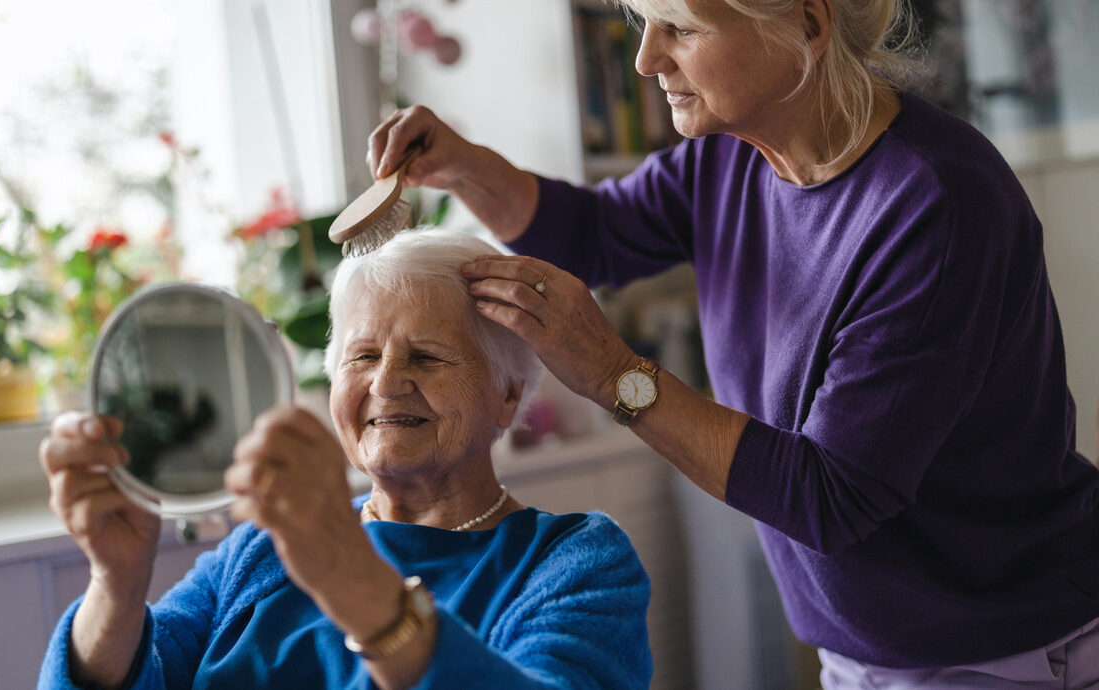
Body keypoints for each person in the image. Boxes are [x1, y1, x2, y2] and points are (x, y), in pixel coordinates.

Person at [368, 0, 1099, 686]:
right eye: (644, 22)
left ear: (808, 26)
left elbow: (831, 498)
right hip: (867, 651)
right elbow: (593, 235)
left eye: (680, 27)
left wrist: (613, 374)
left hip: (1007, 649)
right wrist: (463, 164)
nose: (647, 59)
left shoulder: (936, 204)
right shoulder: (731, 156)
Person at [37, 228, 652, 689]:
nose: (386, 385)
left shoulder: (576, 564)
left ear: (508, 394)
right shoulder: (257, 550)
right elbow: (138, 670)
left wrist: (345, 573)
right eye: (361, 358)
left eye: (428, 356)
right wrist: (115, 584)